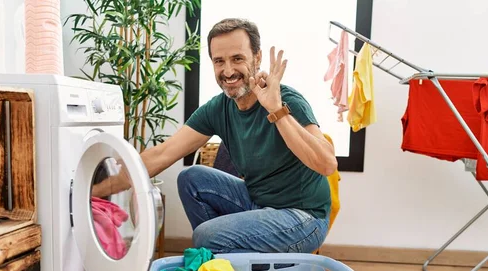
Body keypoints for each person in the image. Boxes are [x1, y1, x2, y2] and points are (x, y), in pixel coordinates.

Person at [92, 18, 338, 254]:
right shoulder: (219, 108)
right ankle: (227, 265)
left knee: (205, 236)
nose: (228, 71)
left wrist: (275, 110)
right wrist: (93, 190)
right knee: (191, 178)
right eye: (219, 61)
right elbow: (163, 153)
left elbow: (327, 164)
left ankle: (221, 261)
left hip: (303, 218)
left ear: (258, 57)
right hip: (258, 204)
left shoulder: (287, 100)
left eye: (237, 58)